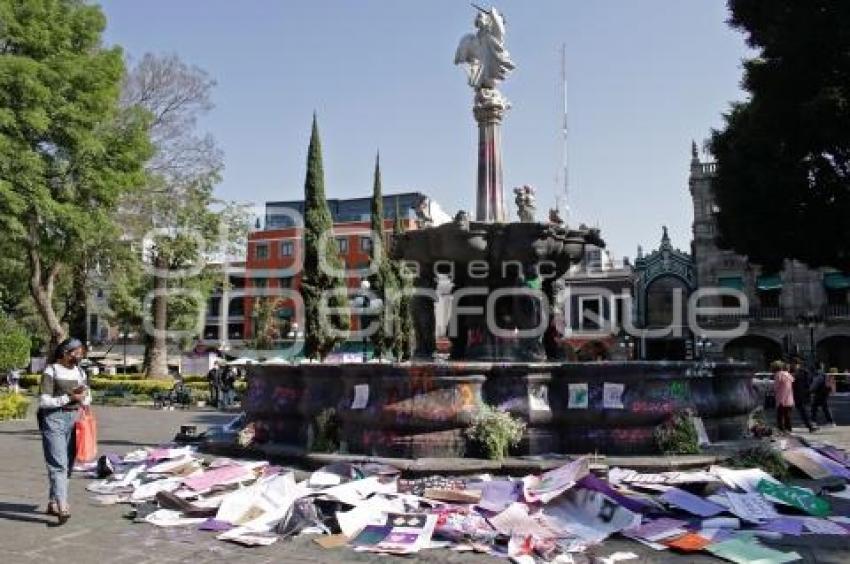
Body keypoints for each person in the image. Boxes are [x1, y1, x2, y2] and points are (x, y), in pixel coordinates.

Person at [37, 338, 91, 524]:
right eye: (76, 352)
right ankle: (63, 504)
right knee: (58, 464)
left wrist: (84, 399)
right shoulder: (51, 370)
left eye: (81, 352)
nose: (80, 355)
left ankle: (53, 502)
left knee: (67, 464)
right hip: (53, 419)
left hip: (74, 419)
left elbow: (87, 396)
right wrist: (69, 398)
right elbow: (44, 401)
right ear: (65, 353)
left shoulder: (80, 371)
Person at [790, 358, 818, 432]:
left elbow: (810, 382)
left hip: (801, 394)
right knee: (798, 410)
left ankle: (810, 426)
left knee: (803, 410)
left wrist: (809, 391)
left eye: (794, 364)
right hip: (793, 393)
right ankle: (809, 425)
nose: (793, 365)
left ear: (798, 364)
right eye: (792, 364)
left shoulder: (804, 372)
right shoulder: (791, 372)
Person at [773, 360, 794, 433]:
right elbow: (792, 381)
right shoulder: (788, 374)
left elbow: (776, 387)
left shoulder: (778, 375)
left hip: (781, 398)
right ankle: (789, 428)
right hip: (789, 397)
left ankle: (781, 429)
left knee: (780, 415)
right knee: (787, 415)